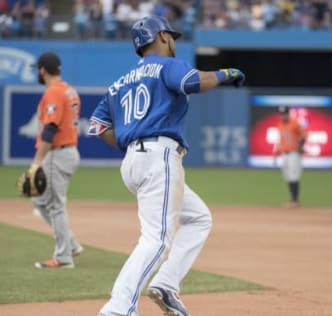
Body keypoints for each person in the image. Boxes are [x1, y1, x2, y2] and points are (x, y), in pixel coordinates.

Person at [88, 15, 245, 316]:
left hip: (135, 161)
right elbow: (193, 82)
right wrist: (225, 73)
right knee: (156, 240)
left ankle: (166, 284)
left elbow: (96, 125)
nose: (173, 41)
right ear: (160, 36)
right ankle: (117, 309)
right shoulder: (168, 65)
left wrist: (129, 141)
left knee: (199, 218)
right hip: (158, 156)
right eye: (171, 35)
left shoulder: (119, 83)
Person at [29, 51, 83, 268]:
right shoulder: (69, 90)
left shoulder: (53, 92)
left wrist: (37, 161)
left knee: (55, 206)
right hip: (67, 151)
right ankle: (70, 244)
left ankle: (63, 257)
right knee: (40, 201)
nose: (37, 73)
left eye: (37, 69)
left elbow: (50, 129)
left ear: (43, 69)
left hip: (57, 154)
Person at [273, 107, 307, 209]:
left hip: (294, 153)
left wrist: (300, 147)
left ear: (288, 114)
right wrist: (277, 153)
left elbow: (304, 135)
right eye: (281, 114)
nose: (283, 115)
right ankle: (292, 199)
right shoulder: (280, 125)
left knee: (294, 176)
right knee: (287, 176)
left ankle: (295, 200)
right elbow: (281, 141)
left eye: (285, 113)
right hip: (285, 154)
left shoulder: (295, 124)